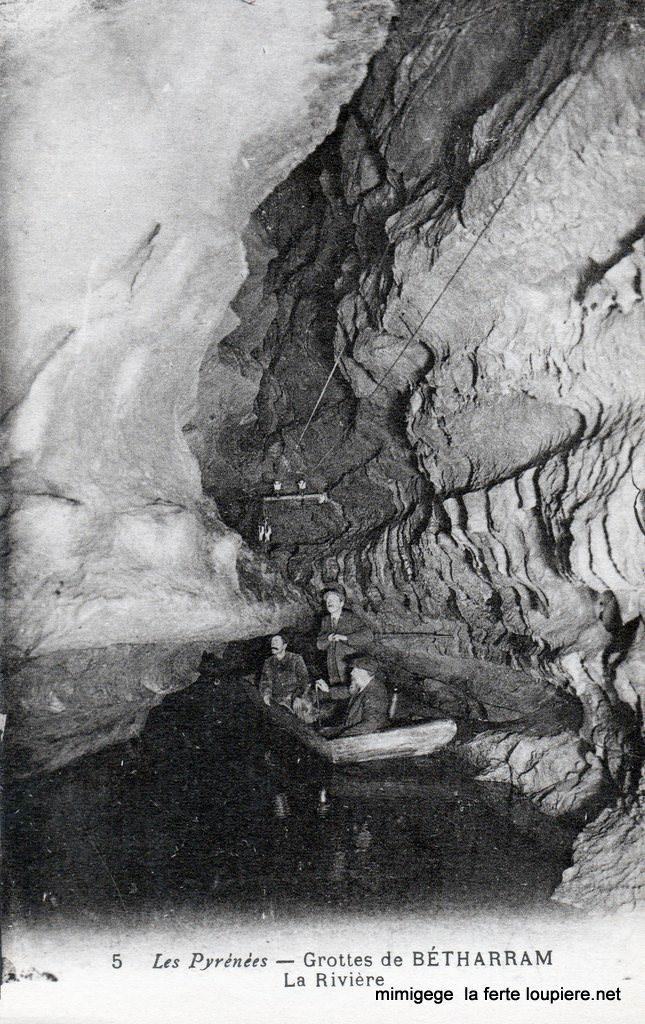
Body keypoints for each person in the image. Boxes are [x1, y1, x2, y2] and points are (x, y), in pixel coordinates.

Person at [315, 584, 374, 701]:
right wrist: (328, 639)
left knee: (352, 696)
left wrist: (345, 638)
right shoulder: (325, 621)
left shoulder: (351, 618)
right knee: (337, 697)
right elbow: (319, 645)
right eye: (328, 600)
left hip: (349, 668)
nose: (329, 602)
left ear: (341, 603)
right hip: (332, 669)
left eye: (333, 600)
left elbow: (368, 635)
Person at [319, 657, 389, 738]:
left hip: (363, 736)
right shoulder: (362, 683)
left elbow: (370, 724)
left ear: (364, 673)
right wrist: (328, 690)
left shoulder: (375, 692)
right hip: (351, 727)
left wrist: (342, 736)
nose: (351, 673)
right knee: (321, 732)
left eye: (355, 671)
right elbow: (347, 691)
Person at [259, 635, 309, 710]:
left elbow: (304, 680)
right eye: (272, 643)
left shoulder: (296, 659)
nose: (273, 645)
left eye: (276, 642)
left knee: (302, 709)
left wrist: (298, 697)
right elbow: (265, 681)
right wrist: (266, 695)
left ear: (284, 646)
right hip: (277, 699)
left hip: (294, 697)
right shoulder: (268, 662)